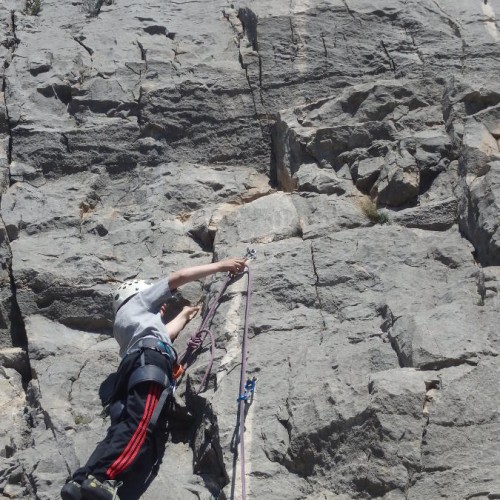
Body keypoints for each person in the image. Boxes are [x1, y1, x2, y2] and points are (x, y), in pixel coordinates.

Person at [61, 257, 247, 500]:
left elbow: (164, 332)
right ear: (139, 292)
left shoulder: (125, 325)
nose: (162, 305)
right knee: (140, 425)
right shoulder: (139, 300)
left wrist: (184, 315)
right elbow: (178, 277)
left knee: (120, 428)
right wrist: (221, 266)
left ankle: (81, 480)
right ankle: (102, 478)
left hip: (132, 369)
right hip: (150, 362)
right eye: (159, 302)